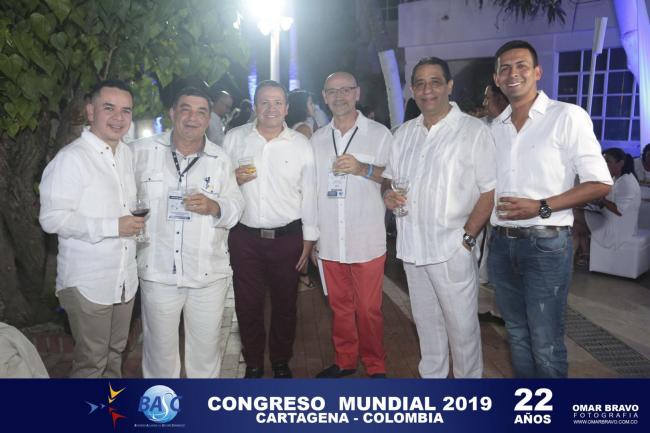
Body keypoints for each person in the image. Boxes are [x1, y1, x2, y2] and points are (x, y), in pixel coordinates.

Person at [488, 40, 612, 378]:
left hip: (545, 244)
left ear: (537, 72)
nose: (513, 73)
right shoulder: (495, 128)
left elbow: (600, 183)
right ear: (497, 79)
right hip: (500, 244)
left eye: (521, 66)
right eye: (505, 68)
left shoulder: (566, 116)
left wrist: (541, 207)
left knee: (545, 341)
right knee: (516, 334)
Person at [383, 57, 496, 379]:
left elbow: (489, 191)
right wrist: (387, 195)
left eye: (435, 82)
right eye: (419, 83)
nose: (427, 90)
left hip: (451, 250)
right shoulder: (404, 134)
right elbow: (390, 180)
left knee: (462, 330)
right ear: (412, 90)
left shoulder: (473, 131)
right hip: (413, 248)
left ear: (449, 86)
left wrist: (467, 238)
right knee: (427, 326)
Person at [130, 86, 244, 378]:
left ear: (209, 119)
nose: (193, 118)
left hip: (207, 275)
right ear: (172, 113)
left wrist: (214, 206)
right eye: (186, 110)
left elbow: (236, 207)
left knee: (205, 358)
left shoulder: (220, 159)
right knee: (159, 358)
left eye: (201, 112)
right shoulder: (140, 152)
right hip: (158, 274)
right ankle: (162, 408)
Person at [39, 79, 142, 378]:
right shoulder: (71, 159)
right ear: (90, 111)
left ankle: (111, 406)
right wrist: (113, 226)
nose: (118, 118)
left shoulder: (125, 154)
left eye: (126, 110)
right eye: (109, 108)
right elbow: (51, 219)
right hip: (89, 282)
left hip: (124, 278)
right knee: (91, 363)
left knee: (114, 355)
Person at [224, 80, 318, 379]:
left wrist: (309, 240)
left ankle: (280, 360)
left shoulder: (301, 144)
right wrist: (232, 179)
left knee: (286, 304)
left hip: (288, 238)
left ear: (287, 108)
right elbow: (217, 183)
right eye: (264, 102)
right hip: (244, 237)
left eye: (278, 102)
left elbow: (310, 194)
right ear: (255, 106)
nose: (271, 108)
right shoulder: (234, 139)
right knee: (247, 304)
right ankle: (253, 361)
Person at [311, 72, 392, 379]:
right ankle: (345, 361)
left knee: (369, 309)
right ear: (324, 96)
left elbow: (394, 177)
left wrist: (363, 168)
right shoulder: (317, 139)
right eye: (332, 91)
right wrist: (312, 237)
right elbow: (311, 190)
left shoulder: (380, 134)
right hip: (331, 239)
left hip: (367, 238)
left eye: (345, 90)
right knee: (339, 307)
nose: (339, 96)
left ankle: (375, 364)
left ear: (357, 93)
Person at [478, 82, 509, 319]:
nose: (484, 103)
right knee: (486, 249)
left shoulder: (513, 127)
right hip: (485, 201)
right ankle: (492, 307)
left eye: (488, 98)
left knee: (501, 255)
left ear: (500, 98)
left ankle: (502, 311)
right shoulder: (483, 126)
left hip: (507, 203)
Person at [585, 148, 641, 248]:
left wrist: (602, 199)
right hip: (613, 221)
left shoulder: (626, 182)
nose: (603, 165)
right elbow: (609, 201)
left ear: (620, 163)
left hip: (618, 230)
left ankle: (582, 252)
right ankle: (582, 252)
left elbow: (619, 210)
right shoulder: (617, 178)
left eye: (607, 161)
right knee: (577, 216)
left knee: (576, 217)